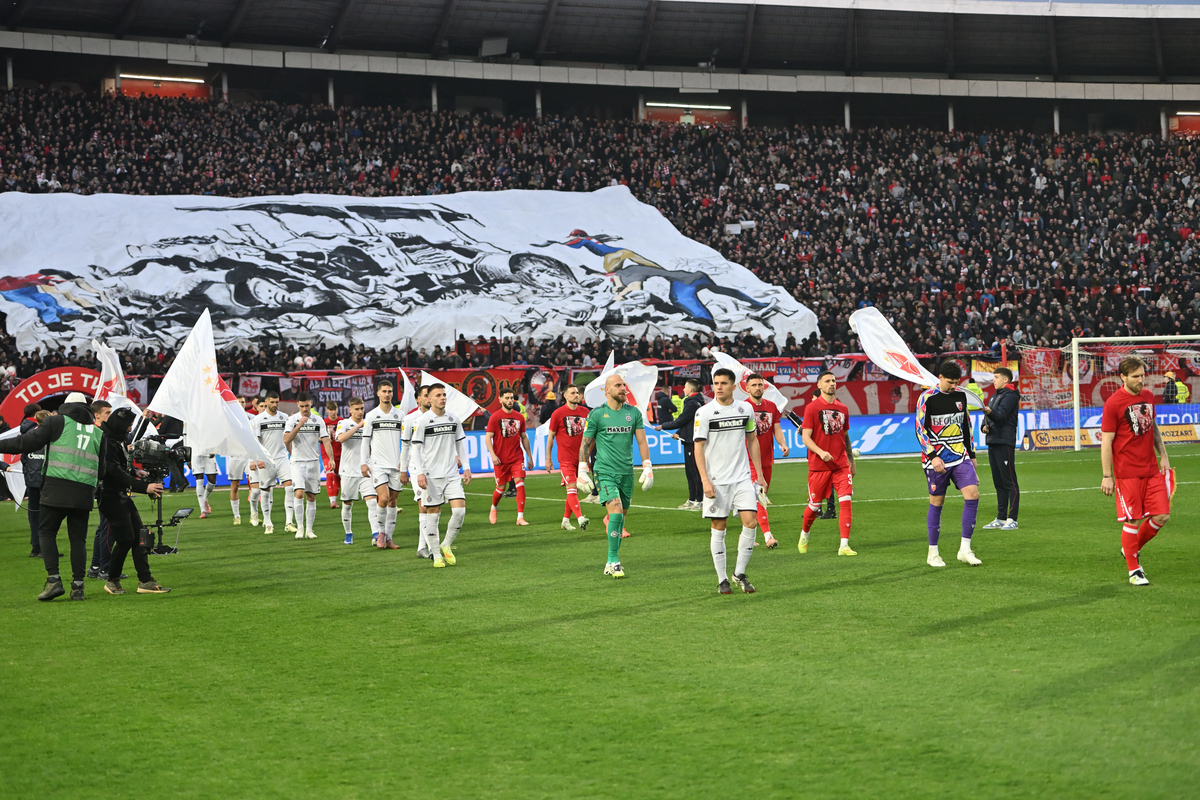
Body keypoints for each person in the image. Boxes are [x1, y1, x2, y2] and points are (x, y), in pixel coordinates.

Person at [0, 392, 104, 601]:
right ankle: (78, 586)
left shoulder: (56, 422)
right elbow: (102, 470)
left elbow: (25, 443)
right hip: (84, 492)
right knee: (78, 540)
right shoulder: (98, 432)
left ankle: (54, 581)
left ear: (66, 406)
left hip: (56, 487)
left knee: (46, 533)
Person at [1102, 356, 1173, 586]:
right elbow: (1106, 441)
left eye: (1142, 375)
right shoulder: (1113, 403)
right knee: (1132, 520)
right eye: (1135, 376)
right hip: (1127, 472)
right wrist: (1107, 476)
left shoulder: (1148, 396)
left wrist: (1163, 455)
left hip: (1151, 469)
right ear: (1122, 377)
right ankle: (1134, 571)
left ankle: (1130, 549)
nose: (1141, 380)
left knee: (1162, 515)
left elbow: (1153, 427)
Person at [694, 368, 766, 594]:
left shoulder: (746, 409)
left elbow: (752, 440)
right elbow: (698, 447)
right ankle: (722, 579)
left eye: (724, 383)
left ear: (734, 387)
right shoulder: (704, 412)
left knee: (751, 523)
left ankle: (740, 573)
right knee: (719, 526)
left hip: (742, 478)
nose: (719, 387)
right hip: (717, 480)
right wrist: (705, 480)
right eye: (716, 383)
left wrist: (759, 475)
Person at [578, 373, 653, 579]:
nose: (623, 388)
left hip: (626, 473)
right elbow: (586, 443)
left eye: (624, 385)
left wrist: (647, 466)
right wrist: (582, 469)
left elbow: (642, 441)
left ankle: (611, 559)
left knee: (620, 517)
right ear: (607, 390)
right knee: (617, 513)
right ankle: (613, 560)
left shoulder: (633, 413)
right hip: (604, 472)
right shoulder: (596, 414)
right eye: (618, 385)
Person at [95, 407, 170, 595]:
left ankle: (144, 580)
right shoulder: (107, 441)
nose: (129, 429)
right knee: (127, 538)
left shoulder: (113, 439)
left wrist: (135, 472)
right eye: (128, 425)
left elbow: (117, 469)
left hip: (118, 495)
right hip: (110, 496)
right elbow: (114, 472)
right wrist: (145, 487)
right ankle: (114, 580)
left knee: (139, 537)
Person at [916, 362, 982, 568]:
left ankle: (965, 550)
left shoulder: (961, 395)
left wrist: (972, 454)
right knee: (937, 502)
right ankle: (933, 554)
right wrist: (933, 456)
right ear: (940, 377)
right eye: (950, 382)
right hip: (937, 460)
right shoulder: (927, 398)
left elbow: (966, 426)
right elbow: (920, 430)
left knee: (973, 495)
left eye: (956, 382)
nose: (954, 386)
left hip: (960, 456)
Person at [408, 383, 471, 568]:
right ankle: (436, 555)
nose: (442, 397)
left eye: (444, 394)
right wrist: (419, 472)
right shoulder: (422, 421)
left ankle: (446, 544)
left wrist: (466, 467)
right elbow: (415, 449)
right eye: (438, 395)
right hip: (431, 476)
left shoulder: (453, 419)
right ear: (429, 399)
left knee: (459, 511)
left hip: (451, 474)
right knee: (433, 516)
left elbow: (459, 444)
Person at [800, 371, 857, 556]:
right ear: (819, 385)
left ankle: (844, 546)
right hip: (819, 466)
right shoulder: (812, 408)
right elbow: (805, 437)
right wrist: (820, 452)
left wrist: (851, 460)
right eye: (827, 381)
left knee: (846, 501)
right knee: (814, 506)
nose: (832, 383)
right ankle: (804, 534)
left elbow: (845, 436)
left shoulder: (843, 408)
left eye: (833, 380)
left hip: (841, 465)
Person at [283, 392, 335, 540]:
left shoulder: (318, 420)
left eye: (307, 405)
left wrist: (331, 458)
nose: (305, 409)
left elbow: (326, 440)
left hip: (313, 462)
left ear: (311, 403)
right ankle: (300, 528)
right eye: (302, 406)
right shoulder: (292, 420)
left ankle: (309, 530)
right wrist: (299, 426)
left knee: (311, 496)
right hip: (297, 463)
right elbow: (286, 439)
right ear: (298, 405)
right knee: (299, 493)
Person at [745, 373, 789, 548]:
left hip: (767, 458)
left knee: (756, 499)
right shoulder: (743, 407)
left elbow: (776, 428)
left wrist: (782, 444)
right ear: (747, 388)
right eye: (754, 385)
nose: (757, 388)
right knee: (759, 495)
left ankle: (745, 535)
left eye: (760, 385)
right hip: (748, 460)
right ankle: (768, 536)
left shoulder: (771, 406)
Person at [360, 379, 405, 548]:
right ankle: (380, 532)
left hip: (396, 465)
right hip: (378, 464)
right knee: (384, 498)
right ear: (378, 393)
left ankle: (389, 538)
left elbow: (406, 441)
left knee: (393, 501)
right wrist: (364, 463)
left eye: (390, 391)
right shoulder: (371, 415)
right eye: (384, 391)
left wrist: (404, 462)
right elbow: (365, 441)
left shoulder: (400, 415)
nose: (387, 394)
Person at [981, 367, 1021, 531]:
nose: (993, 380)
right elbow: (989, 418)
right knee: (998, 482)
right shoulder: (994, 396)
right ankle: (1001, 517)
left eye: (996, 377)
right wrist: (984, 426)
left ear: (1006, 380)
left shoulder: (1010, 396)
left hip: (1004, 442)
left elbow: (1001, 416)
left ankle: (1012, 519)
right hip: (993, 441)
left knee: (1009, 482)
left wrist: (990, 413)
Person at [545, 384, 589, 531]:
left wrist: (587, 458)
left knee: (574, 490)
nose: (576, 395)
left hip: (581, 459)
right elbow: (551, 437)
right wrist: (548, 458)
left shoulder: (585, 412)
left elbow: (588, 436)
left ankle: (565, 520)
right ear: (565, 396)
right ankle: (580, 518)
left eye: (577, 393)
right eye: (572, 393)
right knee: (572, 487)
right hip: (565, 459)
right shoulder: (558, 413)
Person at [655, 379, 704, 510]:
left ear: (691, 390)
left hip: (692, 441)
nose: (683, 389)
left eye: (685, 387)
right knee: (690, 472)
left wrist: (663, 426)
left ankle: (699, 500)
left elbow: (681, 420)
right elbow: (687, 422)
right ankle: (692, 499)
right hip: (688, 439)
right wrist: (678, 433)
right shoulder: (693, 402)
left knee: (694, 472)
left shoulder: (692, 404)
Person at [486, 389, 532, 526]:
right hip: (501, 459)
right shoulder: (495, 417)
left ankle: (520, 517)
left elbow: (524, 437)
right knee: (500, 489)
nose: (510, 400)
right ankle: (494, 507)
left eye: (511, 398)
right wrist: (493, 455)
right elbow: (488, 438)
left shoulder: (519, 417)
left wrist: (529, 456)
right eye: (506, 398)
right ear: (500, 399)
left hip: (517, 457)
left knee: (520, 484)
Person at [250, 391, 293, 535]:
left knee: (290, 487)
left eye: (276, 402)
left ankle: (289, 522)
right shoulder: (258, 419)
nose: (275, 405)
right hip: (266, 460)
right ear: (267, 402)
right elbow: (256, 441)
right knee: (265, 491)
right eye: (272, 402)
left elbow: (287, 439)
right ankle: (268, 522)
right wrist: (258, 458)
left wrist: (292, 455)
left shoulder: (284, 417)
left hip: (282, 458)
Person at [400, 384, 433, 556]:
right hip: (416, 468)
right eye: (426, 395)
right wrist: (403, 469)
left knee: (432, 507)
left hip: (434, 467)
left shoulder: (438, 417)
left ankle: (421, 547)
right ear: (418, 399)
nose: (429, 398)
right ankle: (431, 548)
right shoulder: (410, 419)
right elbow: (405, 446)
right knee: (424, 505)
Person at [85, 400, 114, 580]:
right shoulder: (99, 433)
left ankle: (95, 566)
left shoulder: (94, 432)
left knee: (102, 527)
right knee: (108, 528)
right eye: (107, 413)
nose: (110, 416)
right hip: (104, 485)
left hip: (98, 484)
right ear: (97, 415)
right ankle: (105, 568)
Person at [334, 396, 368, 545]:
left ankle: (375, 534)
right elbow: (340, 438)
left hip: (365, 470)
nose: (360, 412)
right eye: (357, 409)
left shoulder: (368, 424)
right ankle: (348, 533)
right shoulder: (344, 423)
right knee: (347, 504)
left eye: (362, 408)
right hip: (348, 470)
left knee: (372, 501)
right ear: (350, 410)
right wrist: (357, 427)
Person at [19, 405, 48, 558]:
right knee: (47, 515)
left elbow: (23, 458)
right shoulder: (48, 436)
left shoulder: (26, 432)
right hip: (46, 480)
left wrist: (29, 471)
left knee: (34, 514)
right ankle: (45, 548)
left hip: (31, 479)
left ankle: (36, 547)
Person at [322, 400, 342, 509]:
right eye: (331, 410)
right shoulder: (323, 422)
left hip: (339, 452)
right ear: (327, 410)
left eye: (334, 409)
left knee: (338, 477)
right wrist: (324, 439)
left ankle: (334, 500)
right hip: (327, 452)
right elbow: (317, 437)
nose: (333, 412)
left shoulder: (342, 421)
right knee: (329, 475)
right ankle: (332, 502)